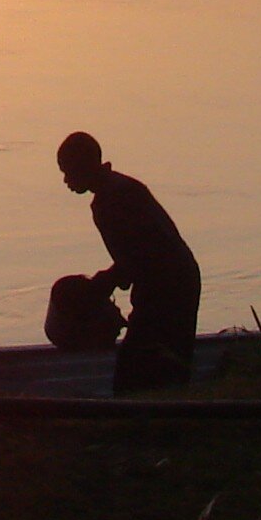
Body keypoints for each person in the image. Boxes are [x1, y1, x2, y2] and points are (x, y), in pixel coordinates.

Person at [56, 131, 202, 392]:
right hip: (170, 280)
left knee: (138, 368)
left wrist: (104, 282)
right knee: (163, 360)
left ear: (85, 166)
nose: (65, 180)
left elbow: (142, 256)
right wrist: (110, 279)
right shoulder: (118, 188)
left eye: (68, 171)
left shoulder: (112, 199)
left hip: (169, 285)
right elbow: (135, 258)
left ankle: (153, 417)